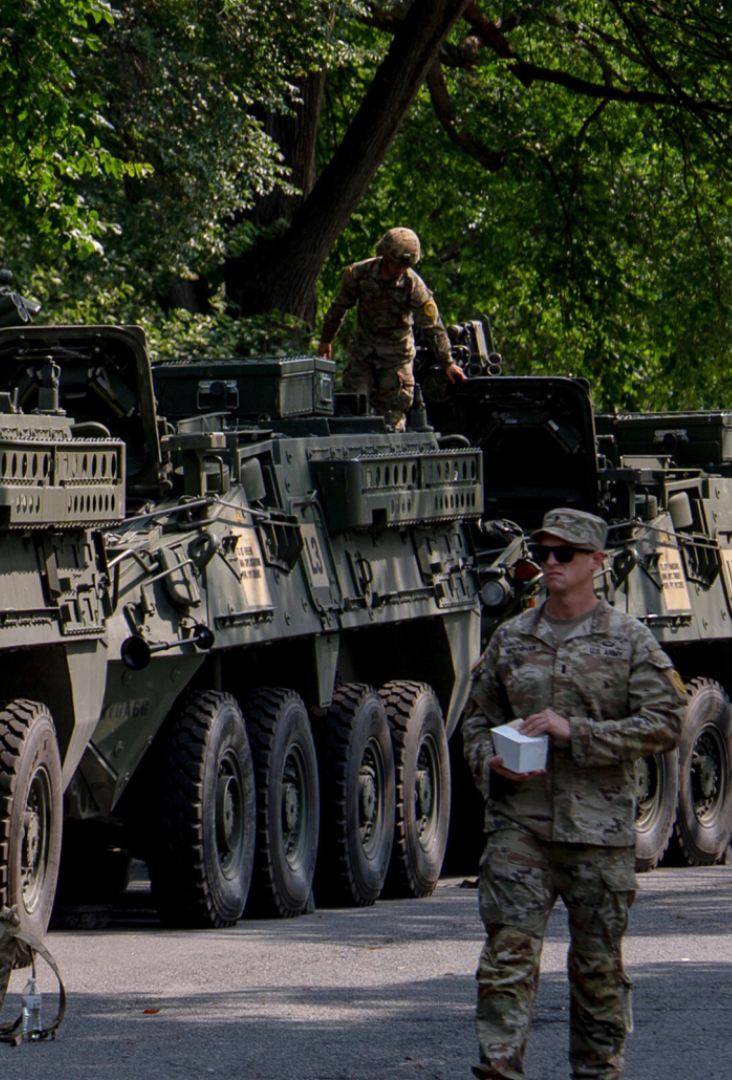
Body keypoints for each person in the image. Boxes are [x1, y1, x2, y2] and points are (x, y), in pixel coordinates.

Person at [460, 507, 684, 1080]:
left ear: (597, 563)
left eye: (565, 554)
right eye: (544, 552)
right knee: (506, 960)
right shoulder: (511, 638)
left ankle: (598, 1070)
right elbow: (476, 722)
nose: (550, 563)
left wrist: (576, 732)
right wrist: (492, 761)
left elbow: (665, 724)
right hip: (520, 827)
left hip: (598, 832)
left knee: (597, 968)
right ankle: (499, 1069)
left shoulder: (629, 640)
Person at [317, 226, 465, 431]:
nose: (399, 270)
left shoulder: (414, 286)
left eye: (404, 266)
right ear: (385, 256)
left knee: (393, 416)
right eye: (395, 264)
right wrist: (326, 340)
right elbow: (339, 307)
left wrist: (447, 362)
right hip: (363, 352)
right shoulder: (360, 274)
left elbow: (433, 328)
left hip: (396, 357)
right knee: (354, 408)